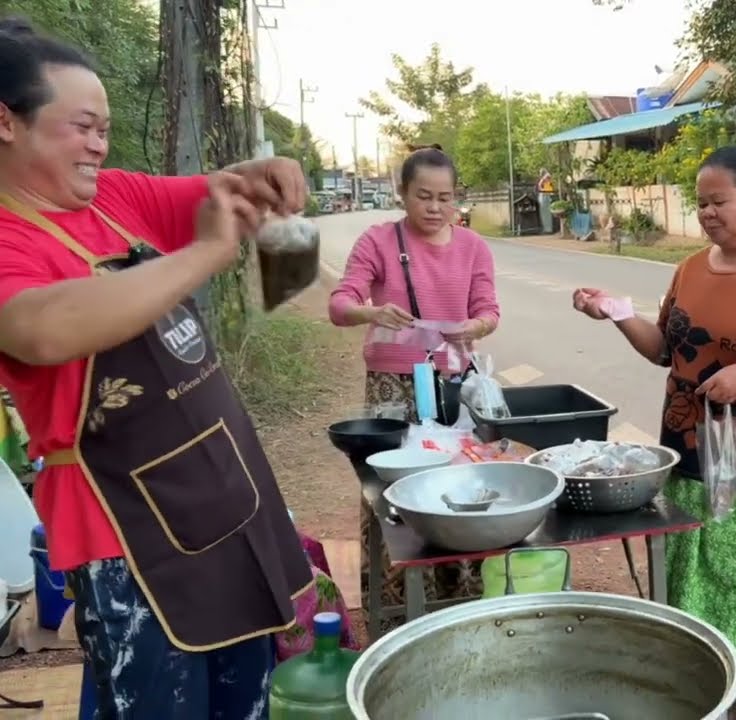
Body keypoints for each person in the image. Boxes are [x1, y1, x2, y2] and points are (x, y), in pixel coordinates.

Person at [0, 17, 314, 719]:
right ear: (6, 122)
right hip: (126, 533)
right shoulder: (8, 236)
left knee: (244, 697)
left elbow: (221, 194)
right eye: (81, 126)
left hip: (225, 495)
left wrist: (261, 182)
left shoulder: (113, 198)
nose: (99, 144)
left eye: (105, 127)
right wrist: (204, 254)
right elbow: (44, 329)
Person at [572, 145, 736, 720]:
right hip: (691, 447)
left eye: (718, 201)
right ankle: (714, 670)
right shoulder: (691, 269)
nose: (708, 213)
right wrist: (617, 313)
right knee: (699, 564)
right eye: (701, 204)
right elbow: (666, 351)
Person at [328, 146, 499, 615]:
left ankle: (458, 606)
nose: (435, 207)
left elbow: (489, 310)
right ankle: (391, 608)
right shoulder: (378, 241)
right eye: (423, 195)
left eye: (445, 197)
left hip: (452, 388)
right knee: (388, 493)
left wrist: (474, 327)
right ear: (402, 193)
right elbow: (340, 303)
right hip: (392, 390)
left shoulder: (473, 247)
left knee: (457, 487)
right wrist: (372, 310)